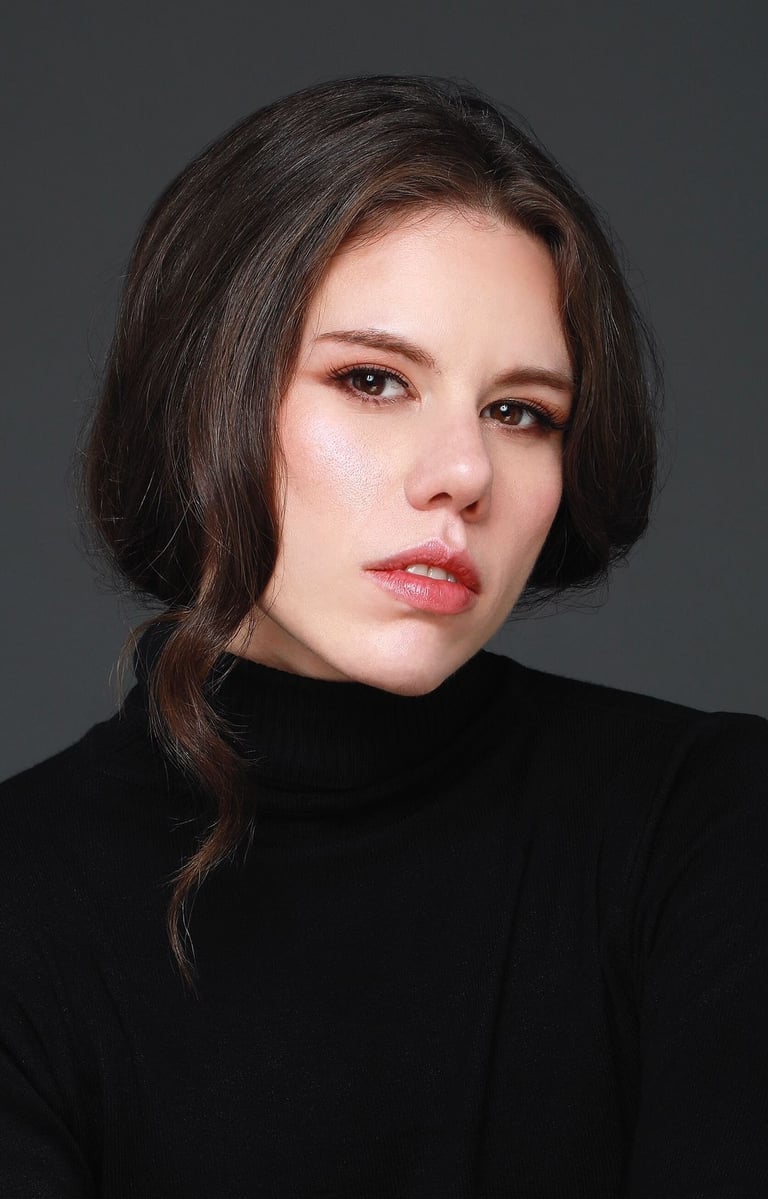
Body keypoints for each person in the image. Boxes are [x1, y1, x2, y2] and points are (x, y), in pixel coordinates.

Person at [1, 73, 766, 1199]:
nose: (463, 472)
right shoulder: (25, 901)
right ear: (200, 392)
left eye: (520, 412)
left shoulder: (707, 824)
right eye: (372, 379)